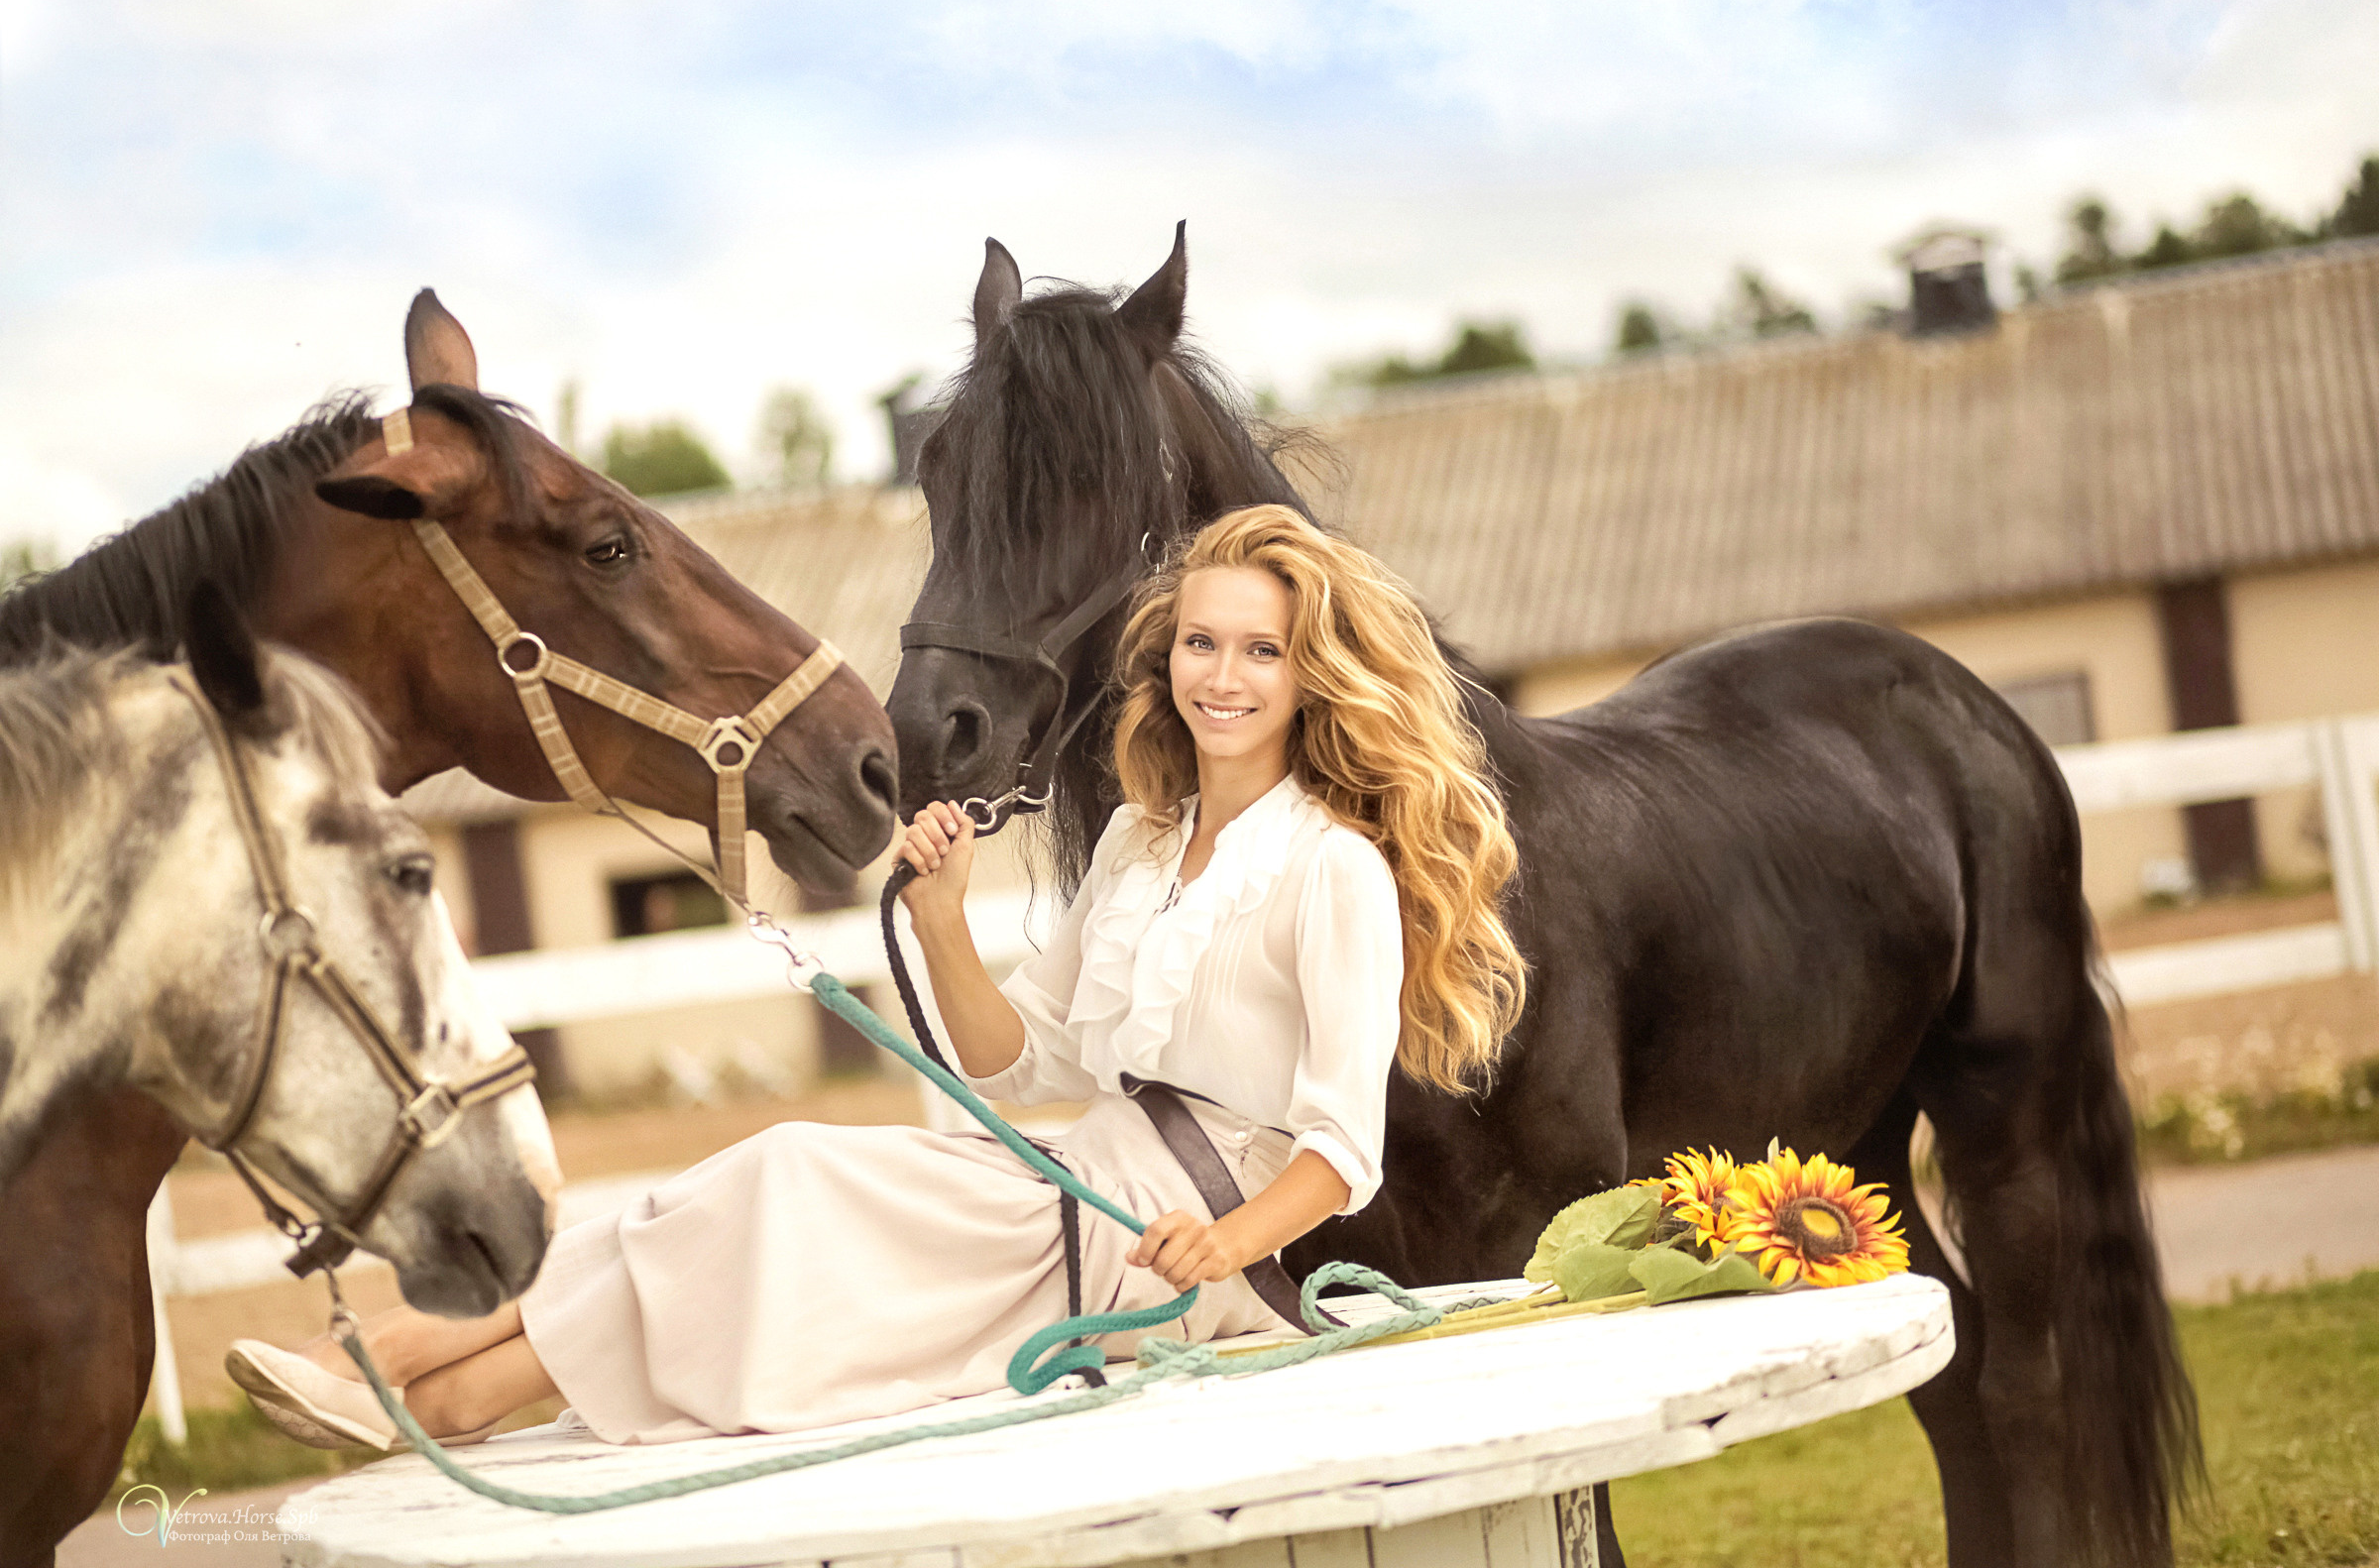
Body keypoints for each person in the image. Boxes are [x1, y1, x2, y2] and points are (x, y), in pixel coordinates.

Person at [223, 503, 1527, 1451]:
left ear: (1310, 676)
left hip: (1180, 1254)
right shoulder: (1140, 839)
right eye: (1200, 644)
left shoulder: (1334, 869)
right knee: (758, 1185)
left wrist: (1224, 1244)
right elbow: (1028, 1064)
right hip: (1074, 1179)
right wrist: (949, 923)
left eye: (1260, 650)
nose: (1222, 676)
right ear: (1167, 657)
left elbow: (1342, 1145)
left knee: (791, 1191)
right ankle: (433, 1381)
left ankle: (415, 1372)